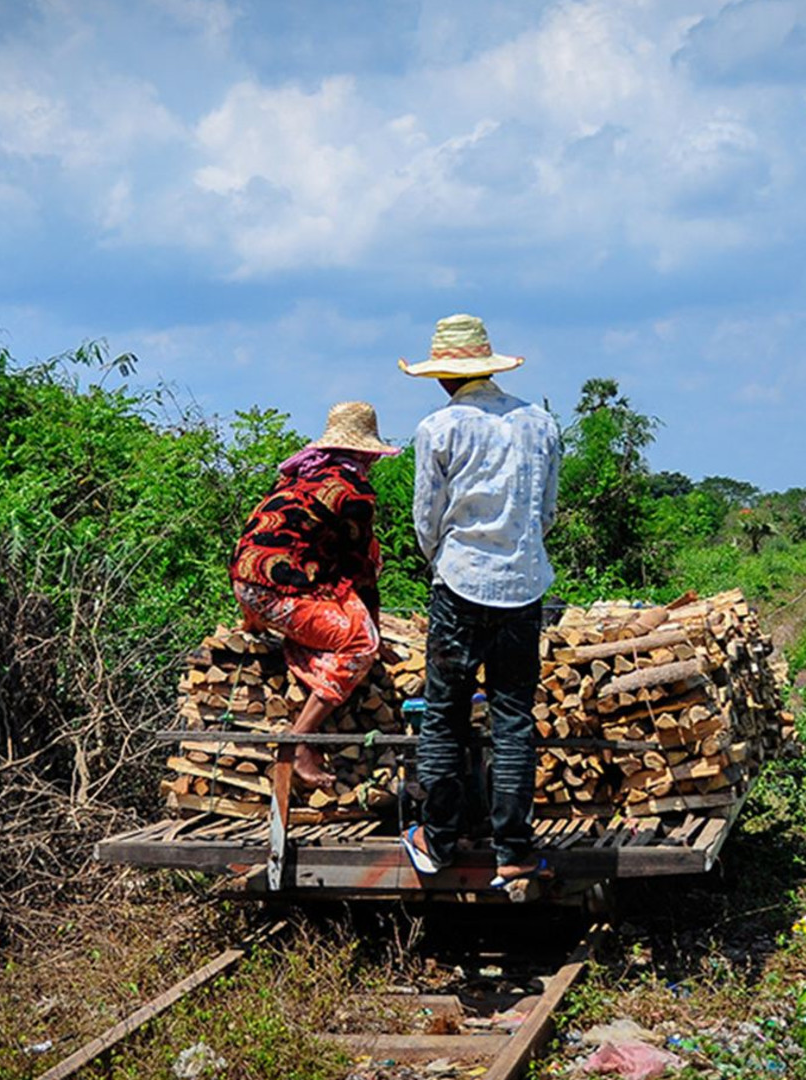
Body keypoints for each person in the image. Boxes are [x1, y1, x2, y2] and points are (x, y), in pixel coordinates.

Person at [397, 314, 561, 888]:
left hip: (460, 583)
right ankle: (514, 849)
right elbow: (547, 512)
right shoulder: (539, 423)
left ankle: (437, 839)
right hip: (524, 585)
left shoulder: (438, 428)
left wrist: (443, 561)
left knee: (445, 716)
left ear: (443, 376)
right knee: (514, 717)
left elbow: (427, 518)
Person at [230, 401, 397, 792]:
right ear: (365, 453)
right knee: (359, 644)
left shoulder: (299, 476)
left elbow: (263, 543)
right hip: (277, 592)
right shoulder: (352, 492)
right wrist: (375, 632)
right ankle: (300, 740)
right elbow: (361, 570)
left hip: (246, 585)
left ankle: (273, 630)